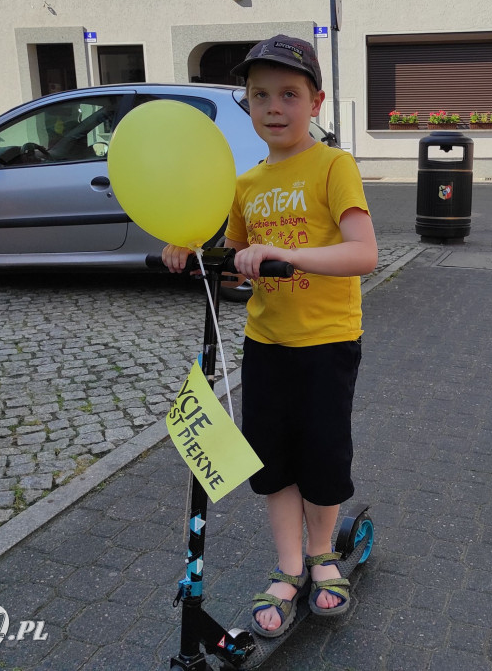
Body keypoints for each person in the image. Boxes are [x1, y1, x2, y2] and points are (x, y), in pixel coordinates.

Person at [160, 34, 378, 636]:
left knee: (323, 459)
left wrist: (288, 253)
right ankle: (288, 567)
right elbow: (233, 255)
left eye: (289, 94)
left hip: (327, 342)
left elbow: (364, 253)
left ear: (317, 102)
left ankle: (323, 556)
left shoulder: (334, 166)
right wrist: (187, 245)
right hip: (266, 345)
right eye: (260, 96)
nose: (274, 107)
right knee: (272, 464)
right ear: (247, 106)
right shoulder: (246, 183)